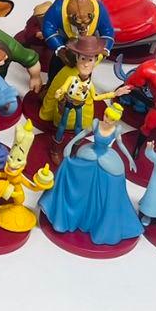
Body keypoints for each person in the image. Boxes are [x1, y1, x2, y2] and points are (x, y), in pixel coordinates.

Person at [40, 103, 143, 245]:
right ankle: (67, 213)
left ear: (116, 121)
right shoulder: (96, 123)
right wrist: (70, 144)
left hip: (106, 158)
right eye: (106, 115)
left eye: (111, 119)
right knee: (72, 170)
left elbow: (120, 145)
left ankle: (99, 220)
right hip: (90, 153)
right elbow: (82, 133)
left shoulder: (116, 129)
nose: (107, 119)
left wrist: (130, 159)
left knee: (113, 181)